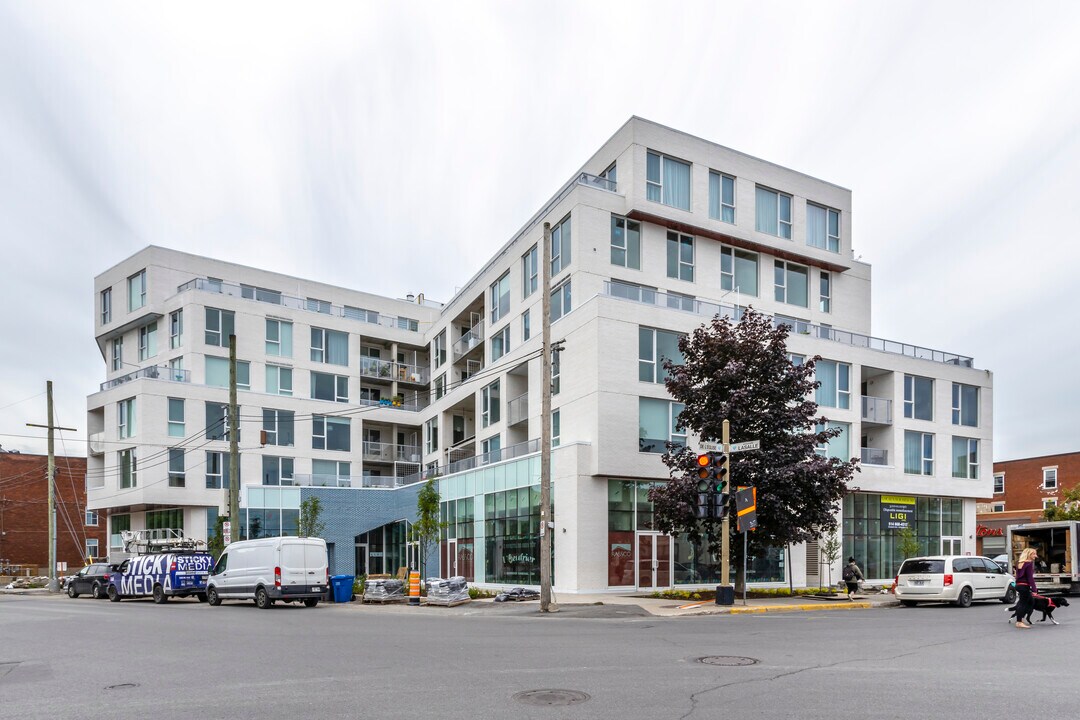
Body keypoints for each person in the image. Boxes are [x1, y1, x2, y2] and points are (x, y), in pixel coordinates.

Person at [1013, 547, 1038, 629]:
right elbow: (1030, 577)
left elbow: (1018, 575)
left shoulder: (1019, 562)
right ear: (1028, 554)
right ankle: (1019, 622)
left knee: (1027, 601)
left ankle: (1020, 618)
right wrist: (1034, 589)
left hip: (1019, 585)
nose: (1036, 556)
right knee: (1023, 603)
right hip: (1024, 586)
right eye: (1033, 554)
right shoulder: (1029, 563)